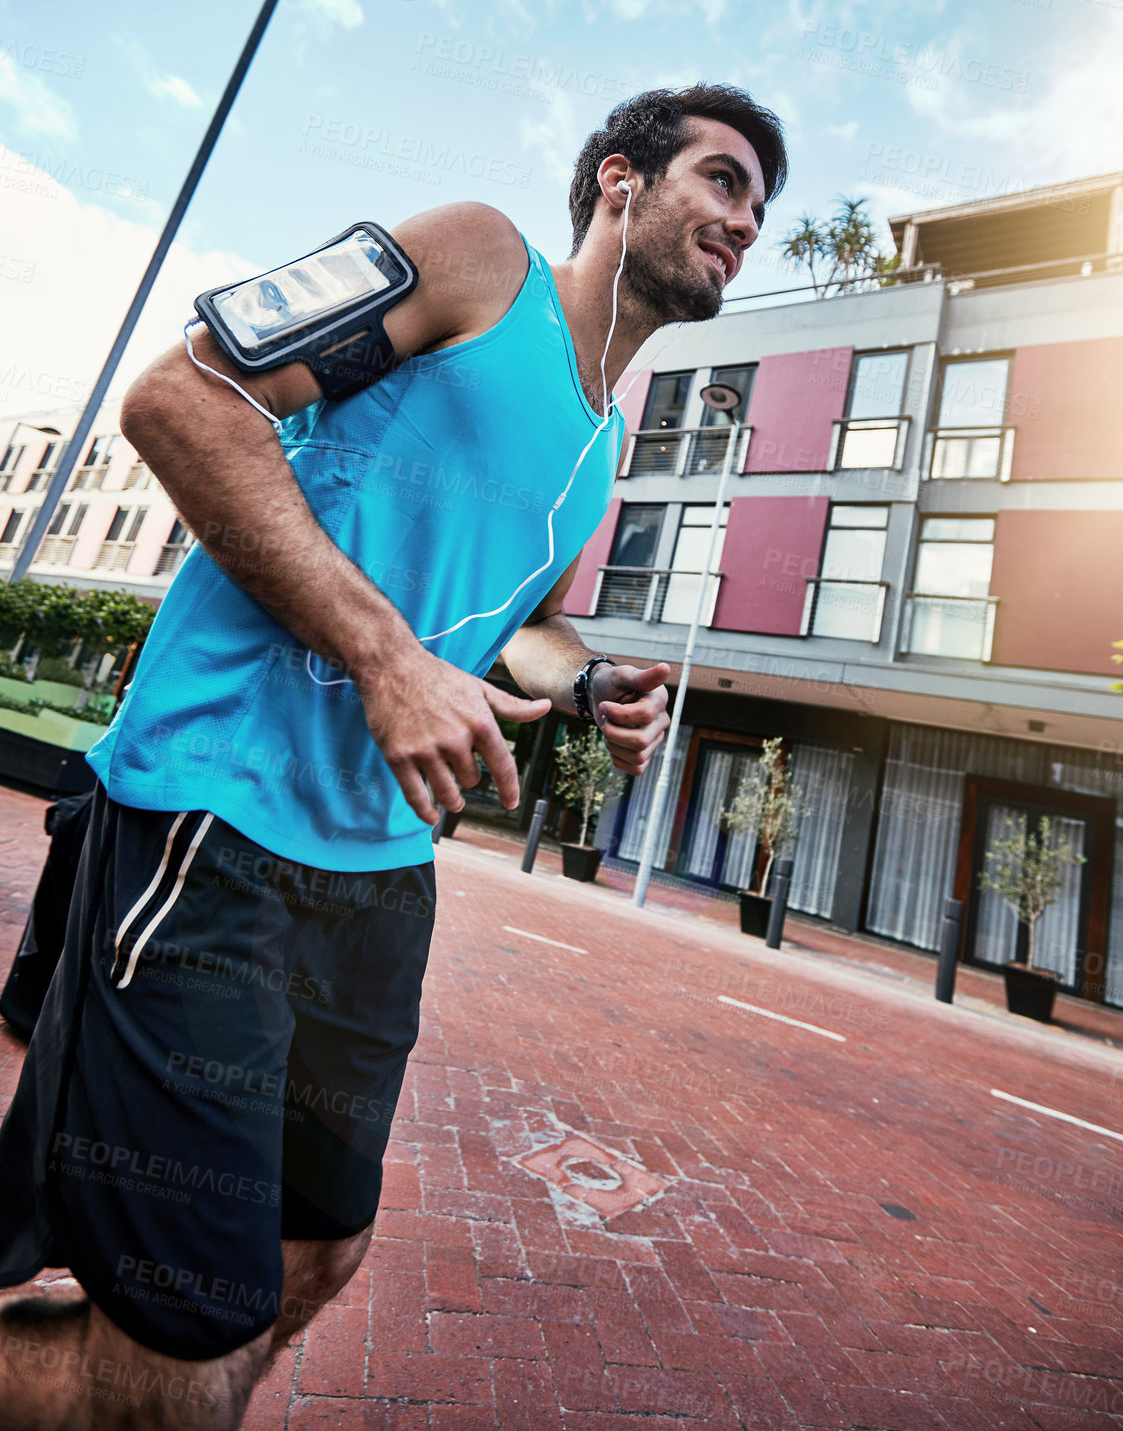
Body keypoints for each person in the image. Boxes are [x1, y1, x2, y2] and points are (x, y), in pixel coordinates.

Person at [0, 83, 786, 1428]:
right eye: (719, 179)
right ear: (617, 181)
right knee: (187, 1341)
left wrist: (584, 674)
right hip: (214, 817)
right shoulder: (481, 263)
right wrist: (383, 656)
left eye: (759, 207)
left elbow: (521, 625)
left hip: (375, 877)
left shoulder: (603, 438)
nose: (744, 219)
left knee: (319, 1252)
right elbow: (182, 401)